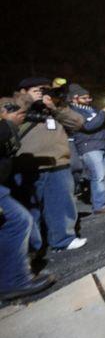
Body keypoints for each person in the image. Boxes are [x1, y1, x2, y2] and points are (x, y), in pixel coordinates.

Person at [11, 78, 87, 251]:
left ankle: (63, 239)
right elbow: (7, 118)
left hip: (58, 163)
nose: (41, 92)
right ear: (22, 91)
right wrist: (28, 101)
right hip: (26, 166)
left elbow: (78, 122)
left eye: (44, 89)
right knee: (29, 209)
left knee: (61, 204)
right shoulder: (13, 104)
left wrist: (55, 107)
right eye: (35, 89)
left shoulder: (54, 108)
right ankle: (31, 247)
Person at [0, 101, 57, 300]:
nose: (23, 117)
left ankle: (14, 272)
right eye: (20, 113)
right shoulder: (4, 127)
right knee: (17, 222)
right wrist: (6, 124)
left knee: (18, 223)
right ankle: (14, 281)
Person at [68, 84, 105, 214]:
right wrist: (103, 113)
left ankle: (99, 201)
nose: (88, 100)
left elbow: (101, 123)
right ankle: (99, 206)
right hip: (88, 146)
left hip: (100, 144)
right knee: (97, 177)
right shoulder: (73, 112)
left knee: (98, 176)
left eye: (89, 97)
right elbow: (89, 126)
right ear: (74, 98)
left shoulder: (90, 109)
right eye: (84, 98)